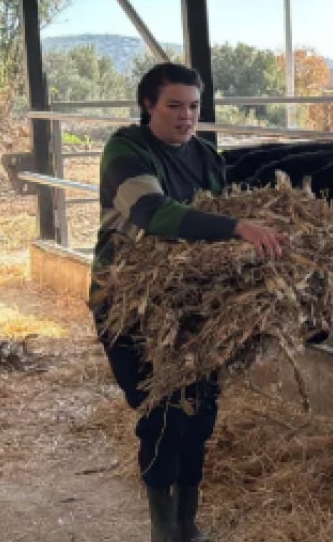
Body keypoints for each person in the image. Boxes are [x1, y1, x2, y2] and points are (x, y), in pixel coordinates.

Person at [89, 62, 286, 542]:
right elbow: (152, 212)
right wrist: (237, 229)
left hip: (194, 306)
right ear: (147, 106)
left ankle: (186, 523)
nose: (186, 116)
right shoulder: (126, 150)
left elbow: (216, 220)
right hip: (129, 303)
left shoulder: (204, 155)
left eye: (193, 106)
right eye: (174, 105)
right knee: (162, 414)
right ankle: (164, 528)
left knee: (200, 411)